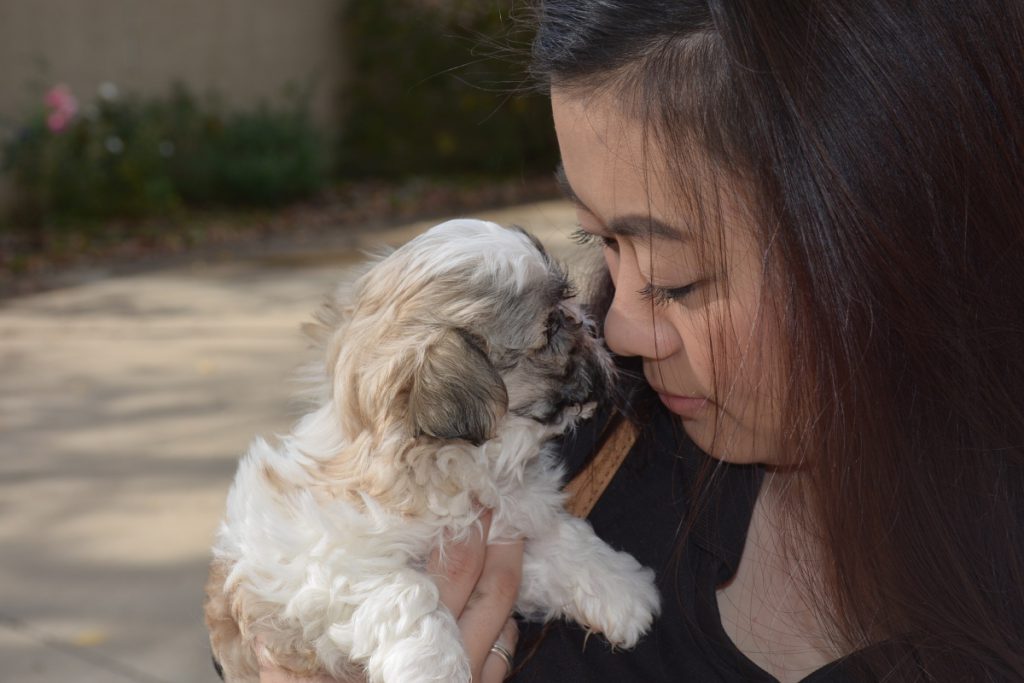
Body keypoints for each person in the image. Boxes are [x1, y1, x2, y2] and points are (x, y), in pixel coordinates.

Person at [260, 1, 1024, 680]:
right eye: (600, 242)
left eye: (677, 277)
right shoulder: (554, 429)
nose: (616, 327)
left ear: (896, 239)